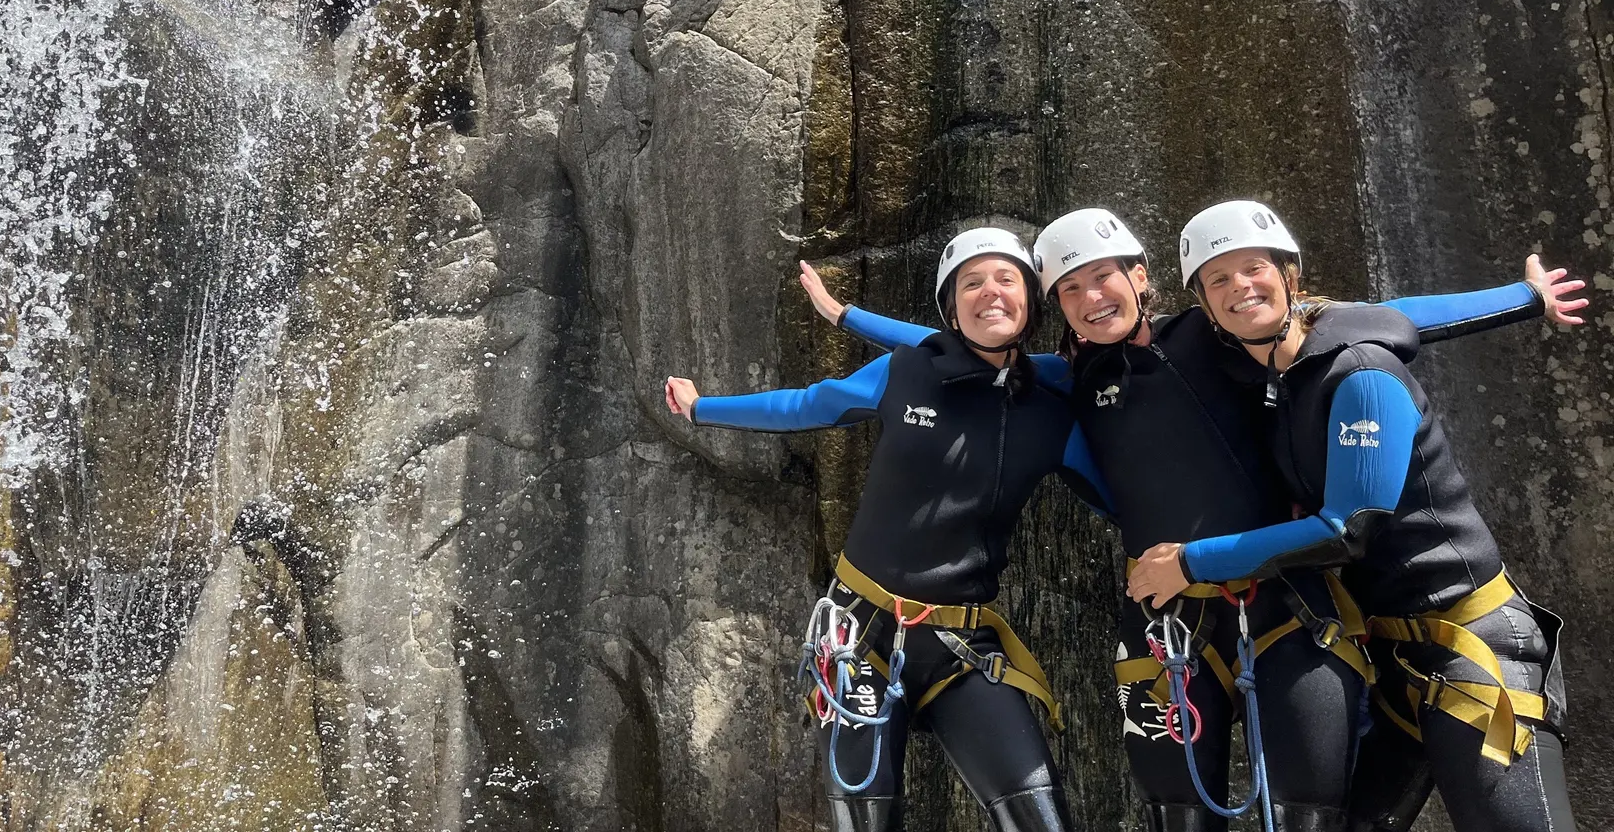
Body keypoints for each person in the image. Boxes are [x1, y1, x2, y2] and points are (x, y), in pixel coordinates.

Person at [801, 208, 1585, 832]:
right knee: (1178, 815)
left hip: (1288, 608)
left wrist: (1522, 299)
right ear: (1056, 311)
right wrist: (849, 319)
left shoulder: (1220, 340)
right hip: (1165, 629)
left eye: (1105, 278)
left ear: (1143, 279)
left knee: (1309, 816)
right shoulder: (1070, 381)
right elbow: (956, 346)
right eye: (1071, 290)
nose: (1092, 298)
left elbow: (1375, 317)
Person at [1127, 200, 1582, 832]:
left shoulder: (1362, 371)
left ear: (1290, 275)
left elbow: (1348, 528)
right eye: (1218, 280)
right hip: (1396, 661)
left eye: (1253, 269)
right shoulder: (1276, 372)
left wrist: (1189, 562)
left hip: (1472, 647)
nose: (1239, 288)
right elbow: (1407, 314)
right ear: (1205, 307)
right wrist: (1525, 298)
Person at [665, 228, 1106, 832]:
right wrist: (702, 407)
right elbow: (806, 405)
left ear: (1032, 299)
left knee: (1040, 816)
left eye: (1006, 279)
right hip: (859, 633)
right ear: (952, 309)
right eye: (971, 284)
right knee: (866, 817)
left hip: (960, 644)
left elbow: (1124, 502)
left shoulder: (1054, 412)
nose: (990, 293)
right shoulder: (906, 372)